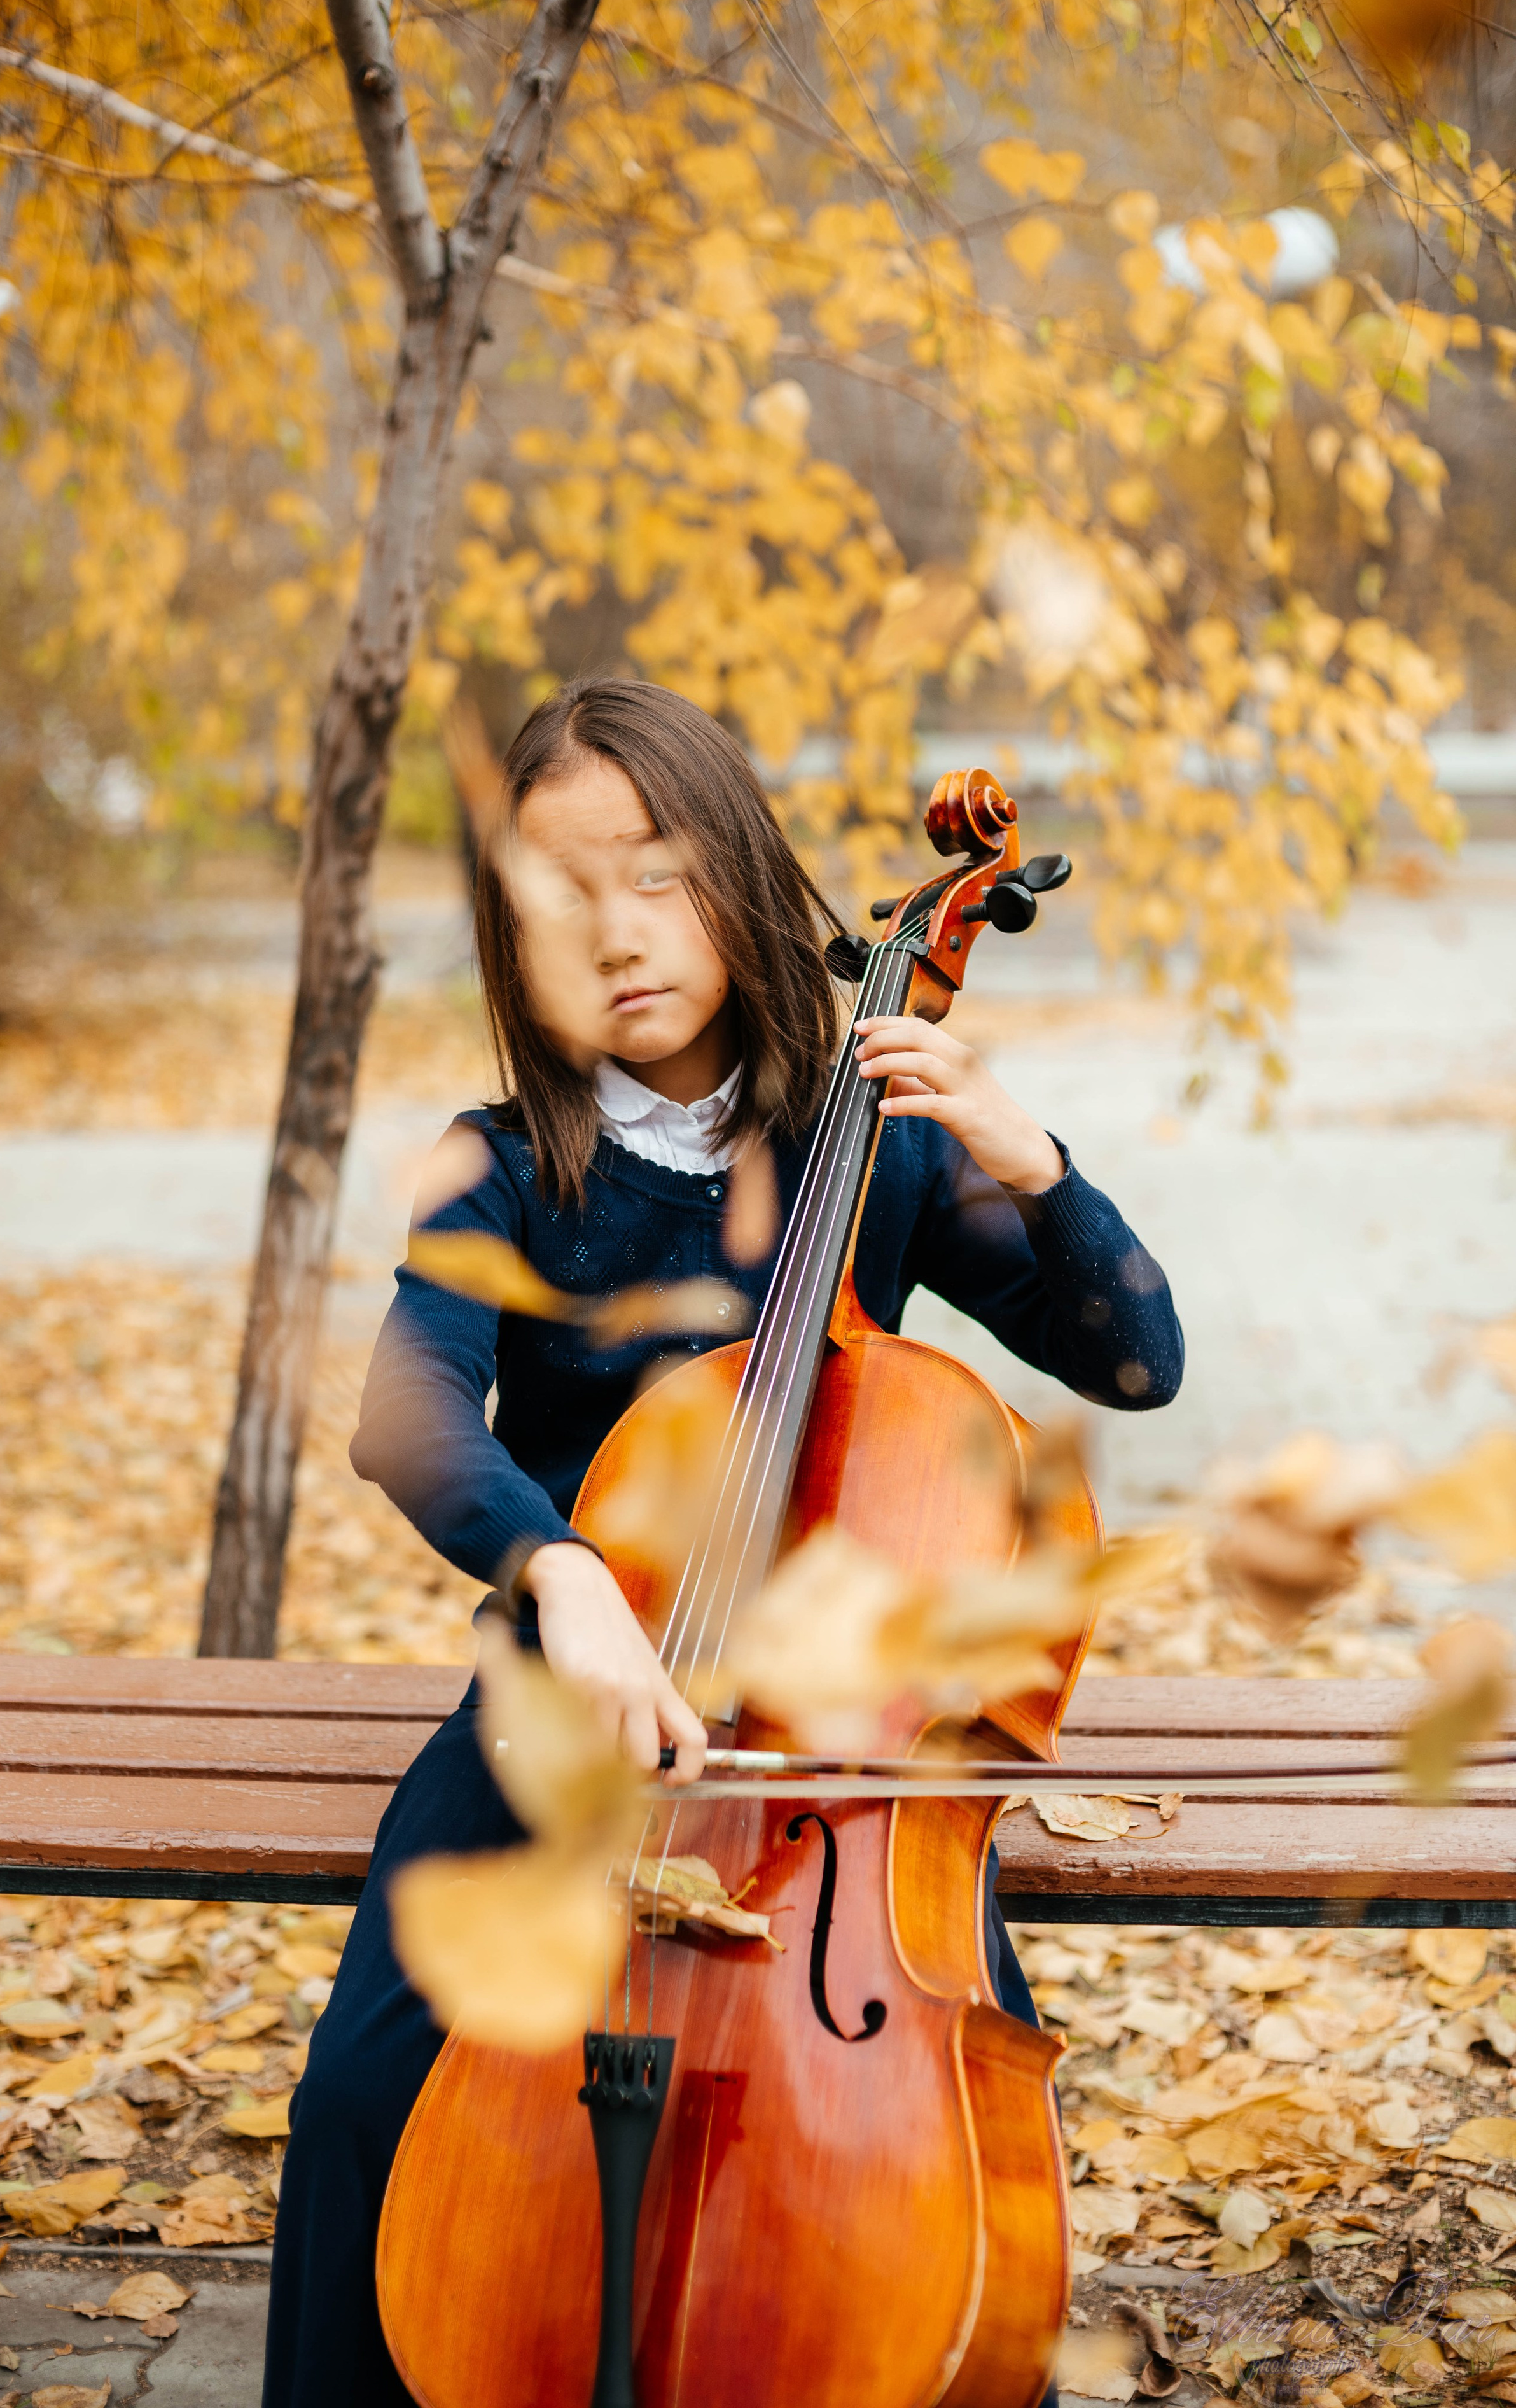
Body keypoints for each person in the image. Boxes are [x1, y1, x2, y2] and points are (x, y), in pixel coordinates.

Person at [261, 677, 1184, 2407]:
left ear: (741, 877)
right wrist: (564, 1573)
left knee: (940, 2148)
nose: (616, 931)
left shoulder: (877, 1148)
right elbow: (409, 1411)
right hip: (564, 1729)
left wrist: (1030, 1158)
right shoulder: (501, 1168)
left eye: (657, 872)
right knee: (365, 2095)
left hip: (842, 1781)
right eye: (562, 893)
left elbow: (1138, 1361)